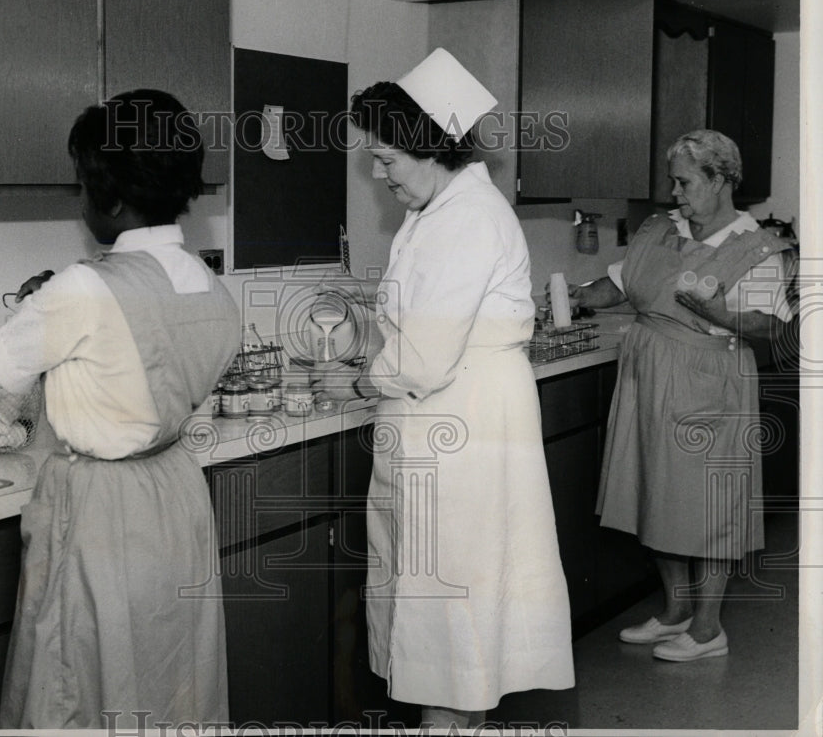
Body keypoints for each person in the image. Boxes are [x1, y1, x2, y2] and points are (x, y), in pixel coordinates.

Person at [0, 90, 239, 727]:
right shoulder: (209, 284)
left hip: (104, 507)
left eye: (83, 187)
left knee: (82, 679)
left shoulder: (86, 286)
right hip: (176, 492)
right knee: (171, 674)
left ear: (112, 199)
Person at [318, 48, 575, 728]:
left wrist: (354, 380)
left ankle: (449, 721)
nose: (377, 172)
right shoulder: (436, 212)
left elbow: (424, 359)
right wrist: (364, 337)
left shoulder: (463, 218)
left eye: (384, 157)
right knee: (453, 618)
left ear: (424, 145)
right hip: (450, 421)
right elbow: (415, 330)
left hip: (461, 429)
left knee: (452, 616)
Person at [563, 129, 796, 662]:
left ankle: (709, 627)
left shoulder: (754, 245)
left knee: (709, 507)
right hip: (648, 375)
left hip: (709, 380)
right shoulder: (659, 231)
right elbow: (620, 285)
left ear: (719, 180)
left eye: (685, 181)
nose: (675, 191)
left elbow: (773, 325)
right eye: (673, 180)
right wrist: (574, 299)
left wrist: (723, 316)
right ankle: (675, 611)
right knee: (655, 496)